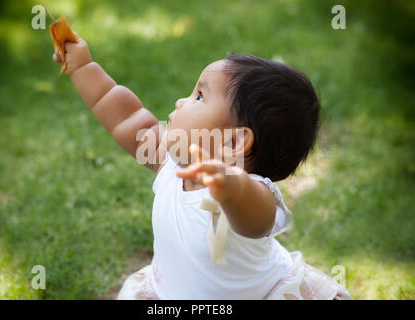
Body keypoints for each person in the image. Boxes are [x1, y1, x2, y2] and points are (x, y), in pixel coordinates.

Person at [52, 33, 352, 300]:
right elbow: (125, 117)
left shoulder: (249, 196)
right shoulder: (169, 161)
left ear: (234, 144)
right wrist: (83, 68)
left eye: (199, 96)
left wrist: (231, 186)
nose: (181, 101)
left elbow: (257, 219)